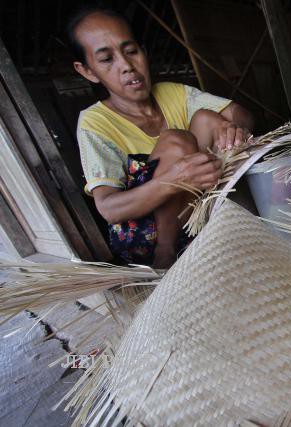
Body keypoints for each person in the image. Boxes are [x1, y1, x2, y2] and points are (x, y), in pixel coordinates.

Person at [69, 7, 254, 268]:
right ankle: (165, 256)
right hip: (145, 238)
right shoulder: (94, 122)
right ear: (87, 71)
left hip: (194, 217)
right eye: (107, 59)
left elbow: (240, 113)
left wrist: (233, 127)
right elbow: (110, 209)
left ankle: (222, 231)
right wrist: (173, 179)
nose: (126, 66)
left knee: (207, 118)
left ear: (143, 52)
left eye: (131, 51)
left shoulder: (171, 92)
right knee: (177, 141)